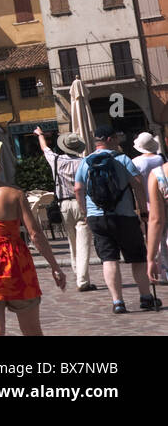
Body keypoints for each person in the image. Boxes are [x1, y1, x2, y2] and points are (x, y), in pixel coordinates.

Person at [0, 141, 65, 335]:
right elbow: (35, 234)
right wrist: (55, 267)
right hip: (17, 265)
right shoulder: (15, 194)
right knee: (32, 329)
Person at [74, 125, 157, 313]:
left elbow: (78, 189)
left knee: (109, 259)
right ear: (110, 139)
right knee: (137, 257)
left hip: (97, 217)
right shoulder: (122, 159)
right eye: (116, 138)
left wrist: (85, 212)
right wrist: (143, 210)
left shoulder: (85, 161)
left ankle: (117, 301)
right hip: (124, 216)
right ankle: (145, 297)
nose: (119, 141)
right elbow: (137, 184)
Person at [35, 126, 96, 291]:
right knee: (84, 241)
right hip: (81, 203)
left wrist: (40, 134)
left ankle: (78, 273)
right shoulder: (84, 162)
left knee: (72, 240)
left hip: (63, 205)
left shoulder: (56, 160)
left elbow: (44, 148)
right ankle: (83, 280)